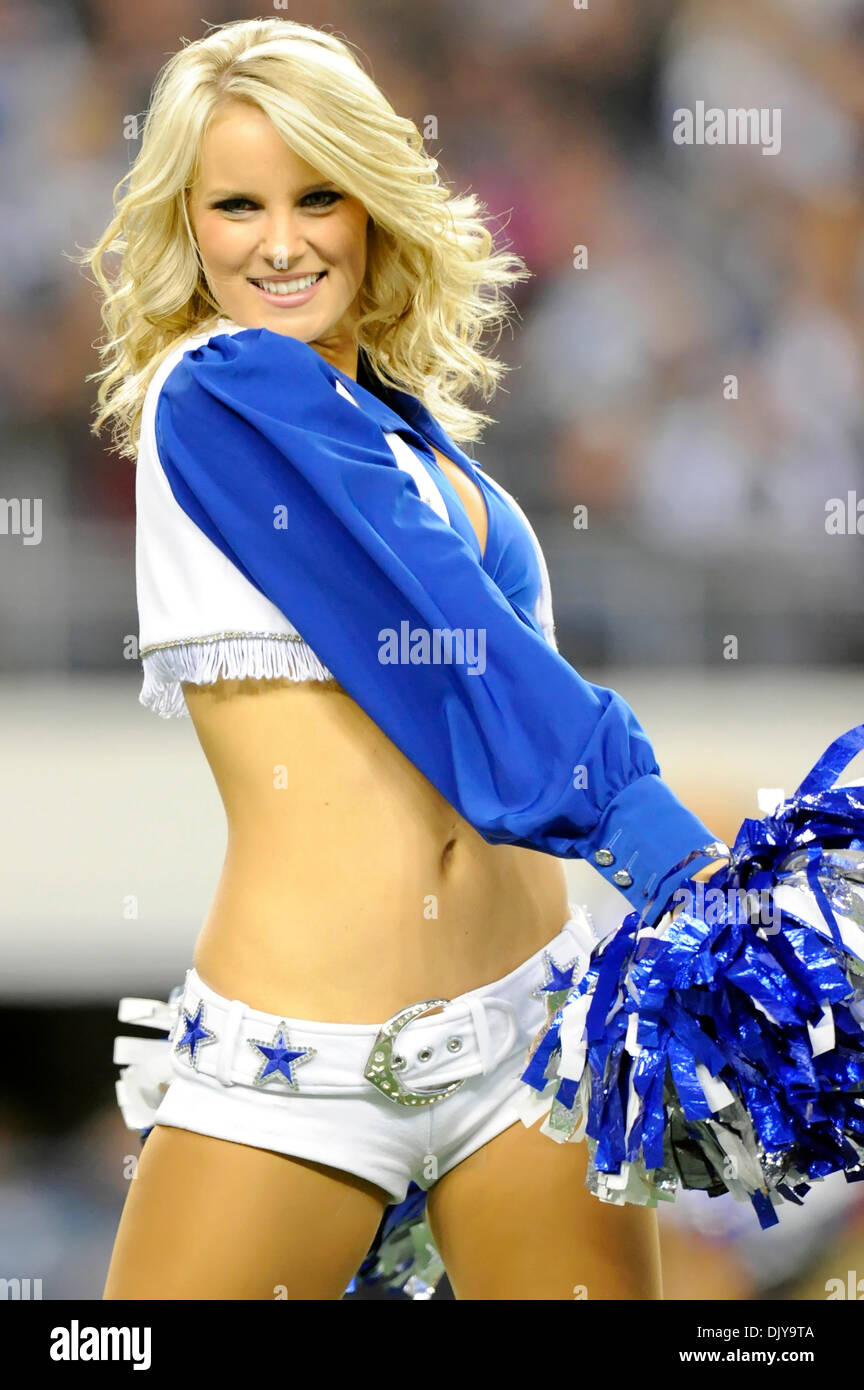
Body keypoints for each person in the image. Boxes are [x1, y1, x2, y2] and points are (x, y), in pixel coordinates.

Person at [82, 17, 727, 1300]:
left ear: (373, 201)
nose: (281, 240)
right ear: (186, 223)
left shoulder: (410, 434)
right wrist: (665, 848)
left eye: (319, 193)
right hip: (300, 1073)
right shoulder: (215, 394)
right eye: (237, 204)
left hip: (532, 1031)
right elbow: (442, 639)